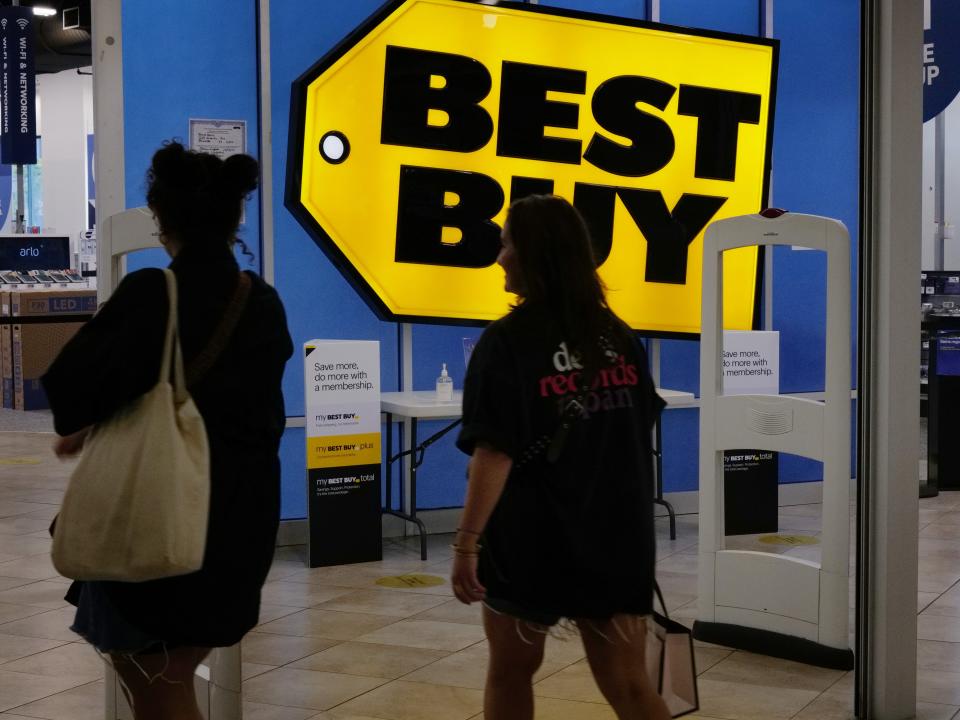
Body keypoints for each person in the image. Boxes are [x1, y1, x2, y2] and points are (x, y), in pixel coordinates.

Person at [42, 141, 293, 720]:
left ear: (161, 220)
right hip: (240, 524)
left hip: (158, 519)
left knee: (158, 686)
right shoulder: (264, 303)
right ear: (233, 219)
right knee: (169, 676)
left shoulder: (153, 293)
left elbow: (67, 393)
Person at [451, 195, 671, 720]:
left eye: (506, 245)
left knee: (510, 672)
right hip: (617, 537)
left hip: (532, 540)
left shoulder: (505, 341)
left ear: (533, 253)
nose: (499, 257)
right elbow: (641, 423)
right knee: (630, 685)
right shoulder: (616, 335)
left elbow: (494, 451)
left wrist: (465, 543)